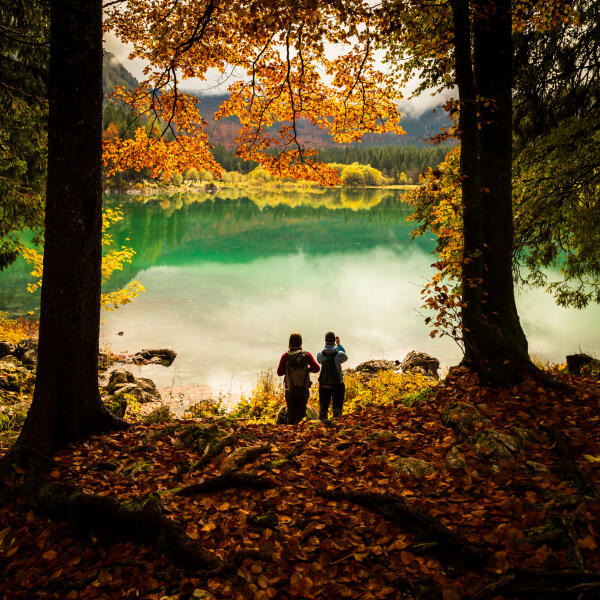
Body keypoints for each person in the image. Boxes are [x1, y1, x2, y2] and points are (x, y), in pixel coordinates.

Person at [277, 332, 320, 425]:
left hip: (290, 389)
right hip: (303, 389)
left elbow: (279, 373)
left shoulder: (285, 356)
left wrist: (288, 371)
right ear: (300, 342)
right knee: (301, 414)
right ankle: (300, 436)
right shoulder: (306, 355)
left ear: (290, 343)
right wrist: (307, 370)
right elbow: (317, 368)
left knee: (291, 414)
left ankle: (290, 435)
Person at [317, 331, 348, 420]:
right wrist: (339, 345)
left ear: (325, 340)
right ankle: (336, 428)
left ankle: (323, 429)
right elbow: (345, 357)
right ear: (334, 340)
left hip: (324, 385)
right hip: (337, 385)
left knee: (323, 410)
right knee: (337, 409)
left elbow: (319, 362)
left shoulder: (320, 354)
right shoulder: (340, 354)